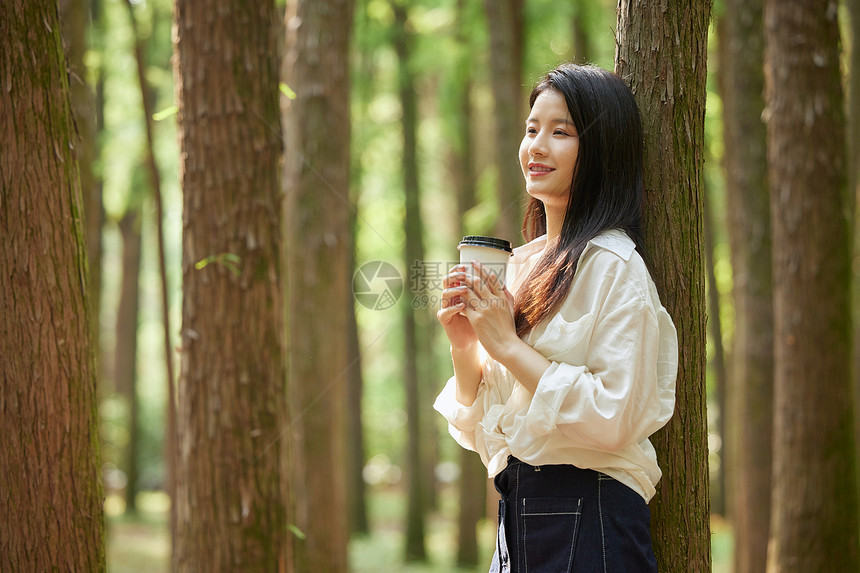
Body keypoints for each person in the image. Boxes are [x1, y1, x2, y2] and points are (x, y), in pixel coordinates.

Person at [433, 63, 678, 572]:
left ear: (601, 149)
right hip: (517, 518)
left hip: (592, 518)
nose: (537, 146)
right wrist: (465, 345)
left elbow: (614, 418)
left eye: (560, 132)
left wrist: (506, 346)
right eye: (532, 129)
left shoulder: (614, 266)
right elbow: (491, 434)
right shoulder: (523, 264)